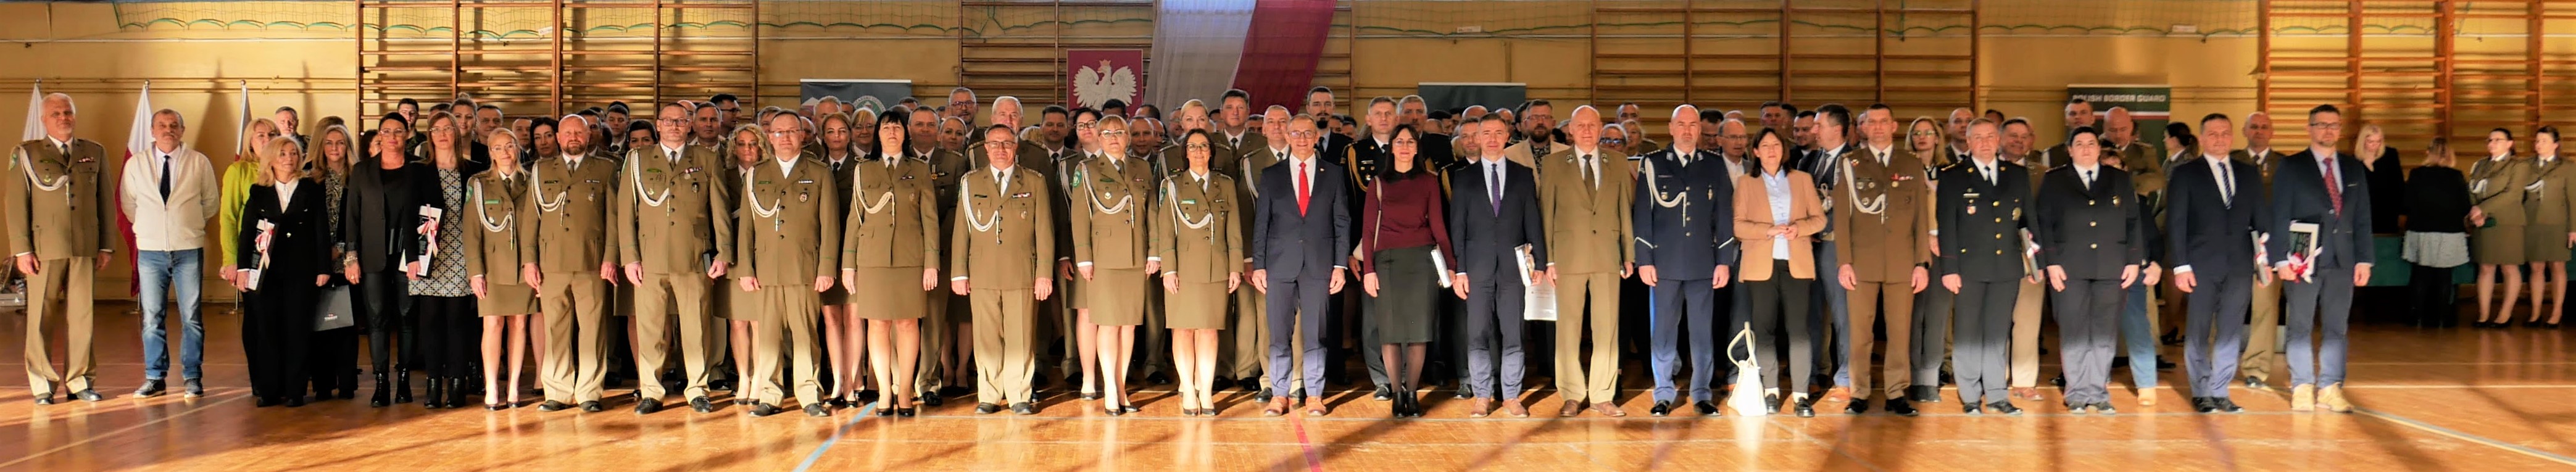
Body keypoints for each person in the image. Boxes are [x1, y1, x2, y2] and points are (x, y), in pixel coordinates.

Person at [615, 102, 735, 414]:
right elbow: (626, 212)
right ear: (658, 125)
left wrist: (724, 252)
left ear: (689, 125)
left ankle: (697, 388)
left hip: (694, 255)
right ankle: (651, 391)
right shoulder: (638, 160)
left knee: (696, 327)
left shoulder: (706, 159)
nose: (674, 126)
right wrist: (630, 257)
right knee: (651, 328)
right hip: (649, 257)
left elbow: (719, 209)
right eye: (668, 121)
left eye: (680, 121)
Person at [2033, 126, 2146, 415]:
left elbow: (2133, 221)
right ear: (2070, 150)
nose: (2086, 148)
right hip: (2069, 267)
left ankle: (2098, 392)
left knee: (2104, 331)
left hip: (2111, 265)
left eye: (2091, 143)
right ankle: (2076, 392)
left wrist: (2134, 261)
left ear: (2099, 148)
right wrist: (2051, 263)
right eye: (2080, 144)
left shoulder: (2118, 179)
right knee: (2074, 329)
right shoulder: (2055, 179)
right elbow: (2044, 223)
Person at [836, 107, 941, 416]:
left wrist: (931, 262)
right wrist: (848, 263)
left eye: (897, 127)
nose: (892, 132)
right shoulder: (863, 170)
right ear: (878, 134)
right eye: (886, 128)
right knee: (878, 324)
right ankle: (884, 390)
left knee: (908, 323)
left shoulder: (918, 169)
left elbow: (930, 219)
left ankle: (905, 389)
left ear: (905, 133)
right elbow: (855, 219)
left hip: (911, 258)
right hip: (873, 259)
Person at [1631, 106, 1734, 416]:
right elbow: (1643, 215)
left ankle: (1701, 393)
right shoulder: (1653, 163)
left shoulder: (1714, 165)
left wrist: (1724, 260)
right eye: (1681, 124)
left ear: (1700, 130)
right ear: (1671, 128)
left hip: (1703, 263)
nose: (1687, 131)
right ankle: (1663, 392)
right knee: (1663, 331)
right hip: (1664, 263)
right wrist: (1644, 259)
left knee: (1702, 332)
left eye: (1693, 125)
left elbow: (1724, 215)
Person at [737, 112, 842, 417]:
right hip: (766, 266)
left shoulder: (819, 173)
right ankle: (770, 395)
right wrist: (746, 268)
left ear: (802, 136)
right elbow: (746, 226)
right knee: (769, 335)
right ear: (769, 138)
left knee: (805, 333)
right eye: (779, 132)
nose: (785, 137)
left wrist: (826, 268)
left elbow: (830, 225)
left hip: (804, 266)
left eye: (792, 131)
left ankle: (809, 394)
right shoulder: (756, 174)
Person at [2269, 105, 2373, 413]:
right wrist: (2280, 259)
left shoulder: (2353, 168)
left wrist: (2365, 259)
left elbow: (2363, 217)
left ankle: (2330, 387)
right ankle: (2302, 386)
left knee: (2337, 327)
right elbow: (2279, 214)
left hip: (2343, 259)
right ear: (2309, 128)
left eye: (2334, 125)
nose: (2328, 130)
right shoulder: (2292, 166)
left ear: (2340, 130)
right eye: (2322, 124)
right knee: (2300, 325)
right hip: (2303, 259)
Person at [1829, 104, 1930, 416]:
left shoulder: (1911, 163)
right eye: (1871, 122)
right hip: (1862, 261)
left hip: (1902, 262)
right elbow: (1841, 218)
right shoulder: (1850, 163)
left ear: (1894, 126)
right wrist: (1844, 262)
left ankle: (1896, 392)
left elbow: (1921, 217)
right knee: (1860, 333)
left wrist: (1922, 263)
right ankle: (1859, 392)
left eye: (1884, 121)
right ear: (1863, 128)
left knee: (1900, 332)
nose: (1878, 127)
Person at [1535, 106, 1634, 417]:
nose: (1587, 131)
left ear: (1601, 128)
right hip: (1567, 256)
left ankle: (1603, 394)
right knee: (1568, 328)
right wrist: (1549, 260)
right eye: (1581, 126)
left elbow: (1625, 210)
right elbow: (1546, 213)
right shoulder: (1553, 164)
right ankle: (1572, 393)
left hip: (1608, 254)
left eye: (1593, 125)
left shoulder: (1617, 162)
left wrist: (1628, 254)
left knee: (1607, 327)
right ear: (1571, 131)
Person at [1251, 115, 1352, 416]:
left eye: (1308, 133)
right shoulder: (1272, 175)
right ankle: (1279, 394)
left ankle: (1315, 395)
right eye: (1296, 133)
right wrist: (1259, 265)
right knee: (1279, 335)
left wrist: (1340, 265)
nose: (1302, 139)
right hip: (1279, 266)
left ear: (1317, 138)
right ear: (1287, 136)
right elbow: (1262, 224)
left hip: (1320, 266)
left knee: (1316, 334)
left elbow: (1342, 222)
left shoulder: (1333, 174)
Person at [955, 124, 1058, 415]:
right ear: (985, 149)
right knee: (986, 336)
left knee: (1021, 335)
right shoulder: (971, 182)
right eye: (995, 144)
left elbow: (1045, 231)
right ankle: (989, 394)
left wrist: (1044, 272)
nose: (1001, 149)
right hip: (983, 269)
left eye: (1007, 144)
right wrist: (959, 272)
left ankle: (1019, 395)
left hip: (1021, 269)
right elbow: (962, 230)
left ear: (1016, 148)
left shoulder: (1034, 181)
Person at [2169, 113, 2268, 415]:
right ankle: (2201, 391)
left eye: (2225, 133)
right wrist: (2180, 266)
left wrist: (2265, 260)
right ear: (2201, 139)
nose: (2220, 139)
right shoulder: (2186, 174)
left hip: (2239, 264)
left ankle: (2220, 391)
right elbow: (2176, 223)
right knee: (2198, 328)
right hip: (2199, 265)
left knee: (2231, 329)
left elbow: (2261, 221)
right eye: (2213, 134)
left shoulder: (2248, 173)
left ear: (2233, 136)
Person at [1937, 118, 2037, 415]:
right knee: (1967, 332)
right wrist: (1949, 268)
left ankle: (1996, 394)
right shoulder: (1953, 176)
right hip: (1968, 267)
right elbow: (1947, 226)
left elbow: (2029, 222)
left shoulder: (2016, 174)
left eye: (1990, 136)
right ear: (1968, 142)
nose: (1985, 143)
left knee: (1997, 332)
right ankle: (1970, 395)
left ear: (1999, 140)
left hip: (2006, 266)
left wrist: (2036, 264)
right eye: (1978, 137)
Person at [1352, 124, 1452, 418]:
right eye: (1399, 142)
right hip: (1387, 263)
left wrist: (1451, 266)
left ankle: (1412, 393)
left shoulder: (1430, 181)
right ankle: (1397, 393)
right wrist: (1369, 270)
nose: (1405, 147)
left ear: (1417, 147)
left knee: (1419, 332)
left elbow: (1438, 226)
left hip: (1421, 262)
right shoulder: (1378, 183)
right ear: (1392, 148)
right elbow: (1368, 231)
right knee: (1391, 333)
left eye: (1410, 142)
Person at [523, 114, 619, 413]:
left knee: (593, 329)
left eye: (579, 132)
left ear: (589, 136)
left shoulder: (605, 168)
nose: (574, 138)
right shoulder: (541, 170)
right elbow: (531, 220)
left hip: (592, 261)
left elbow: (613, 219)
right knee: (556, 329)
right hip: (551, 262)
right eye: (567, 133)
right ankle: (558, 391)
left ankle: (590, 392)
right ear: (558, 138)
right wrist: (529, 261)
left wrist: (611, 257)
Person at [1448, 115, 1543, 418]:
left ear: (1507, 136)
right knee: (1477, 334)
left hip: (1513, 269)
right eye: (1486, 133)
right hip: (1476, 269)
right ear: (1477, 137)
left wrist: (1541, 261)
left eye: (1497, 133)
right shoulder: (1464, 177)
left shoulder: (1523, 175)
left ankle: (1512, 396)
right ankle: (1482, 395)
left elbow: (1533, 221)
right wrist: (1459, 270)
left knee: (1514, 333)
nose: (1491, 139)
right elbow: (1458, 228)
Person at [123, 108, 219, 399]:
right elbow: (129, 204)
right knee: (152, 317)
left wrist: (187, 225)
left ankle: (192, 377)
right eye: (162, 125)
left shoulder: (199, 162)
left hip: (188, 249)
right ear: (152, 131)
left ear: (182, 130)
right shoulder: (136, 164)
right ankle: (155, 377)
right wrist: (150, 228)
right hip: (150, 252)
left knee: (191, 317)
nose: (168, 130)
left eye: (174, 125)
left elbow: (210, 202)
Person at [1065, 116, 1155, 414]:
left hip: (1136, 255)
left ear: (1128, 137)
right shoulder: (1087, 170)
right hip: (1103, 257)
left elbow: (1151, 213)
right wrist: (1084, 257)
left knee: (1128, 325)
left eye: (1119, 132)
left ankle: (1121, 385)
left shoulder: (1142, 168)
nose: (1114, 138)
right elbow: (1080, 216)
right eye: (1107, 133)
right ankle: (1109, 391)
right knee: (1107, 323)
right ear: (1098, 138)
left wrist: (1155, 253)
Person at [1734, 126, 1826, 416]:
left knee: (1799, 330)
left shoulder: (1802, 179)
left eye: (1776, 145)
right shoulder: (1746, 183)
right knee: (1764, 329)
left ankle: (1801, 395)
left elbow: (1819, 219)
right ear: (1756, 151)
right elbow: (1738, 226)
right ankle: (1771, 391)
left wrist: (1799, 228)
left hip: (1796, 263)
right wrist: (1769, 230)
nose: (1772, 150)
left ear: (1784, 150)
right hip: (1761, 265)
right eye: (1765, 145)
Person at [234, 135, 331, 407]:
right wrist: (243, 268)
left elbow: (321, 229)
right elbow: (247, 233)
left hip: (302, 271)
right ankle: (269, 390)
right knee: (268, 331)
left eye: (293, 153)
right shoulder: (259, 192)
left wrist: (323, 267)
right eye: (283, 154)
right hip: (267, 274)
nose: (289, 159)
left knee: (297, 331)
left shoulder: (311, 188)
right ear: (271, 160)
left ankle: (295, 390)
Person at [1153, 129, 1242, 416]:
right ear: (1185, 153)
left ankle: (1205, 389)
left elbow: (1234, 231)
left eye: (1204, 146)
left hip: (1217, 267)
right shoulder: (1172, 185)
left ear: (1211, 151)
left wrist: (1235, 267)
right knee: (1182, 329)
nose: (1199, 151)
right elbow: (1165, 231)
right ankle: (1189, 389)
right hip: (1183, 268)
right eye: (1193, 147)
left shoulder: (1224, 184)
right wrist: (1169, 269)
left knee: (1209, 330)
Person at [344, 113, 424, 407]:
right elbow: (352, 217)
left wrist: (422, 254)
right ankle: (381, 382)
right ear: (379, 135)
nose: (392, 137)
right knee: (377, 319)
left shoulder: (419, 168)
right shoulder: (362, 170)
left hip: (408, 256)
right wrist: (351, 258)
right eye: (386, 131)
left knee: (407, 317)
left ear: (407, 135)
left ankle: (404, 380)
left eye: (398, 131)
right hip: (372, 255)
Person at [407, 112, 480, 410]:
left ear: (456, 133)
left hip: (462, 253)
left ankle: (458, 384)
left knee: (459, 322)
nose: (442, 134)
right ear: (429, 135)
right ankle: (434, 383)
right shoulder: (418, 171)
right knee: (431, 322)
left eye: (447, 128)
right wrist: (412, 258)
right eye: (436, 129)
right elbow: (407, 216)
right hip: (429, 254)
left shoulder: (473, 170)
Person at [465, 128, 536, 410]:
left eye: (510, 146)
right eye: (498, 148)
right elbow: (471, 231)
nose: (505, 152)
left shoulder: (531, 181)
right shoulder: (479, 184)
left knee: (519, 323)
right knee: (493, 324)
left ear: (517, 148)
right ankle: (493, 386)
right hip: (492, 267)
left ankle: (514, 386)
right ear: (490, 153)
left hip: (523, 266)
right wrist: (475, 272)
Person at [308, 121, 364, 400]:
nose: (334, 148)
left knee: (346, 324)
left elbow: (361, 220)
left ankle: (347, 383)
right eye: (329, 143)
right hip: (317, 262)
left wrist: (340, 249)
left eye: (340, 143)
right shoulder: (310, 178)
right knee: (320, 324)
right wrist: (322, 252)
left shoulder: (358, 177)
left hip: (349, 260)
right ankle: (322, 383)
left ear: (348, 147)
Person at [1903, 117, 1955, 405]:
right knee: (1912, 318)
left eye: (1928, 132)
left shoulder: (1952, 171)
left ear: (1938, 138)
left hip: (1942, 252)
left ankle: (1930, 378)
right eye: (1917, 133)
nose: (1922, 137)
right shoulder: (1901, 168)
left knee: (1936, 318)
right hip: (1909, 252)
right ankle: (1912, 377)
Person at [2469, 128, 2535, 328]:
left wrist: (2482, 209)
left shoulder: (2519, 165)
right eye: (2490, 140)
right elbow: (2472, 189)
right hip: (2482, 222)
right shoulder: (2480, 165)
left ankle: (2505, 315)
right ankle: (2483, 315)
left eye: (2498, 140)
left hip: (2508, 223)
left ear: (2510, 143)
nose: (2492, 143)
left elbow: (2512, 194)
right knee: (2486, 267)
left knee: (2509, 267)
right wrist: (2475, 212)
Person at [2404, 138, 2472, 328]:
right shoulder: (2456, 176)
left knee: (2420, 275)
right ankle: (2443, 317)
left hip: (2421, 230)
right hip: (2449, 232)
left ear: (2429, 152)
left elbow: (2406, 204)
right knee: (2444, 276)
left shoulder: (2417, 174)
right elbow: (2465, 206)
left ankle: (2416, 316)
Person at [2524, 126, 2574, 328]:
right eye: (2537, 141)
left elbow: (2573, 200)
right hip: (2531, 222)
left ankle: (2556, 312)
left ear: (2556, 144)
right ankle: (2535, 312)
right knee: (2536, 267)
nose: (2539, 145)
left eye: (2544, 141)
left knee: (2557, 266)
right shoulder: (2526, 165)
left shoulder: (2568, 167)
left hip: (2557, 223)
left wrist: (2574, 228)